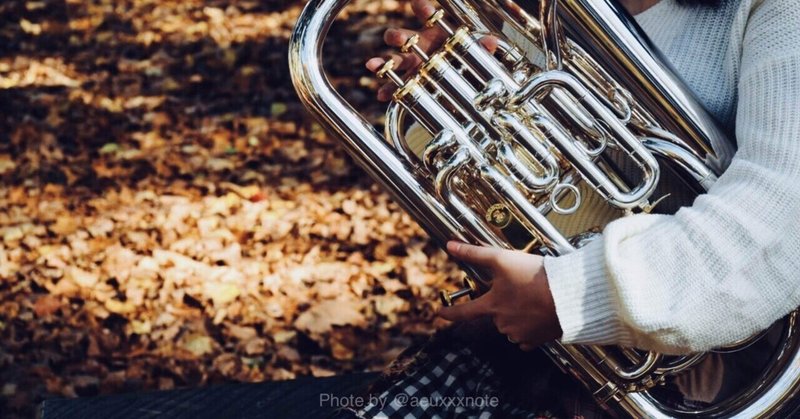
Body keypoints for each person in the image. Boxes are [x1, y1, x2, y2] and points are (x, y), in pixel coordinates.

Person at [337, 0, 800, 416]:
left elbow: (782, 215)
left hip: (697, 373)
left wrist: (566, 295)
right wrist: (464, 86)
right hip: (555, 352)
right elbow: (559, 185)